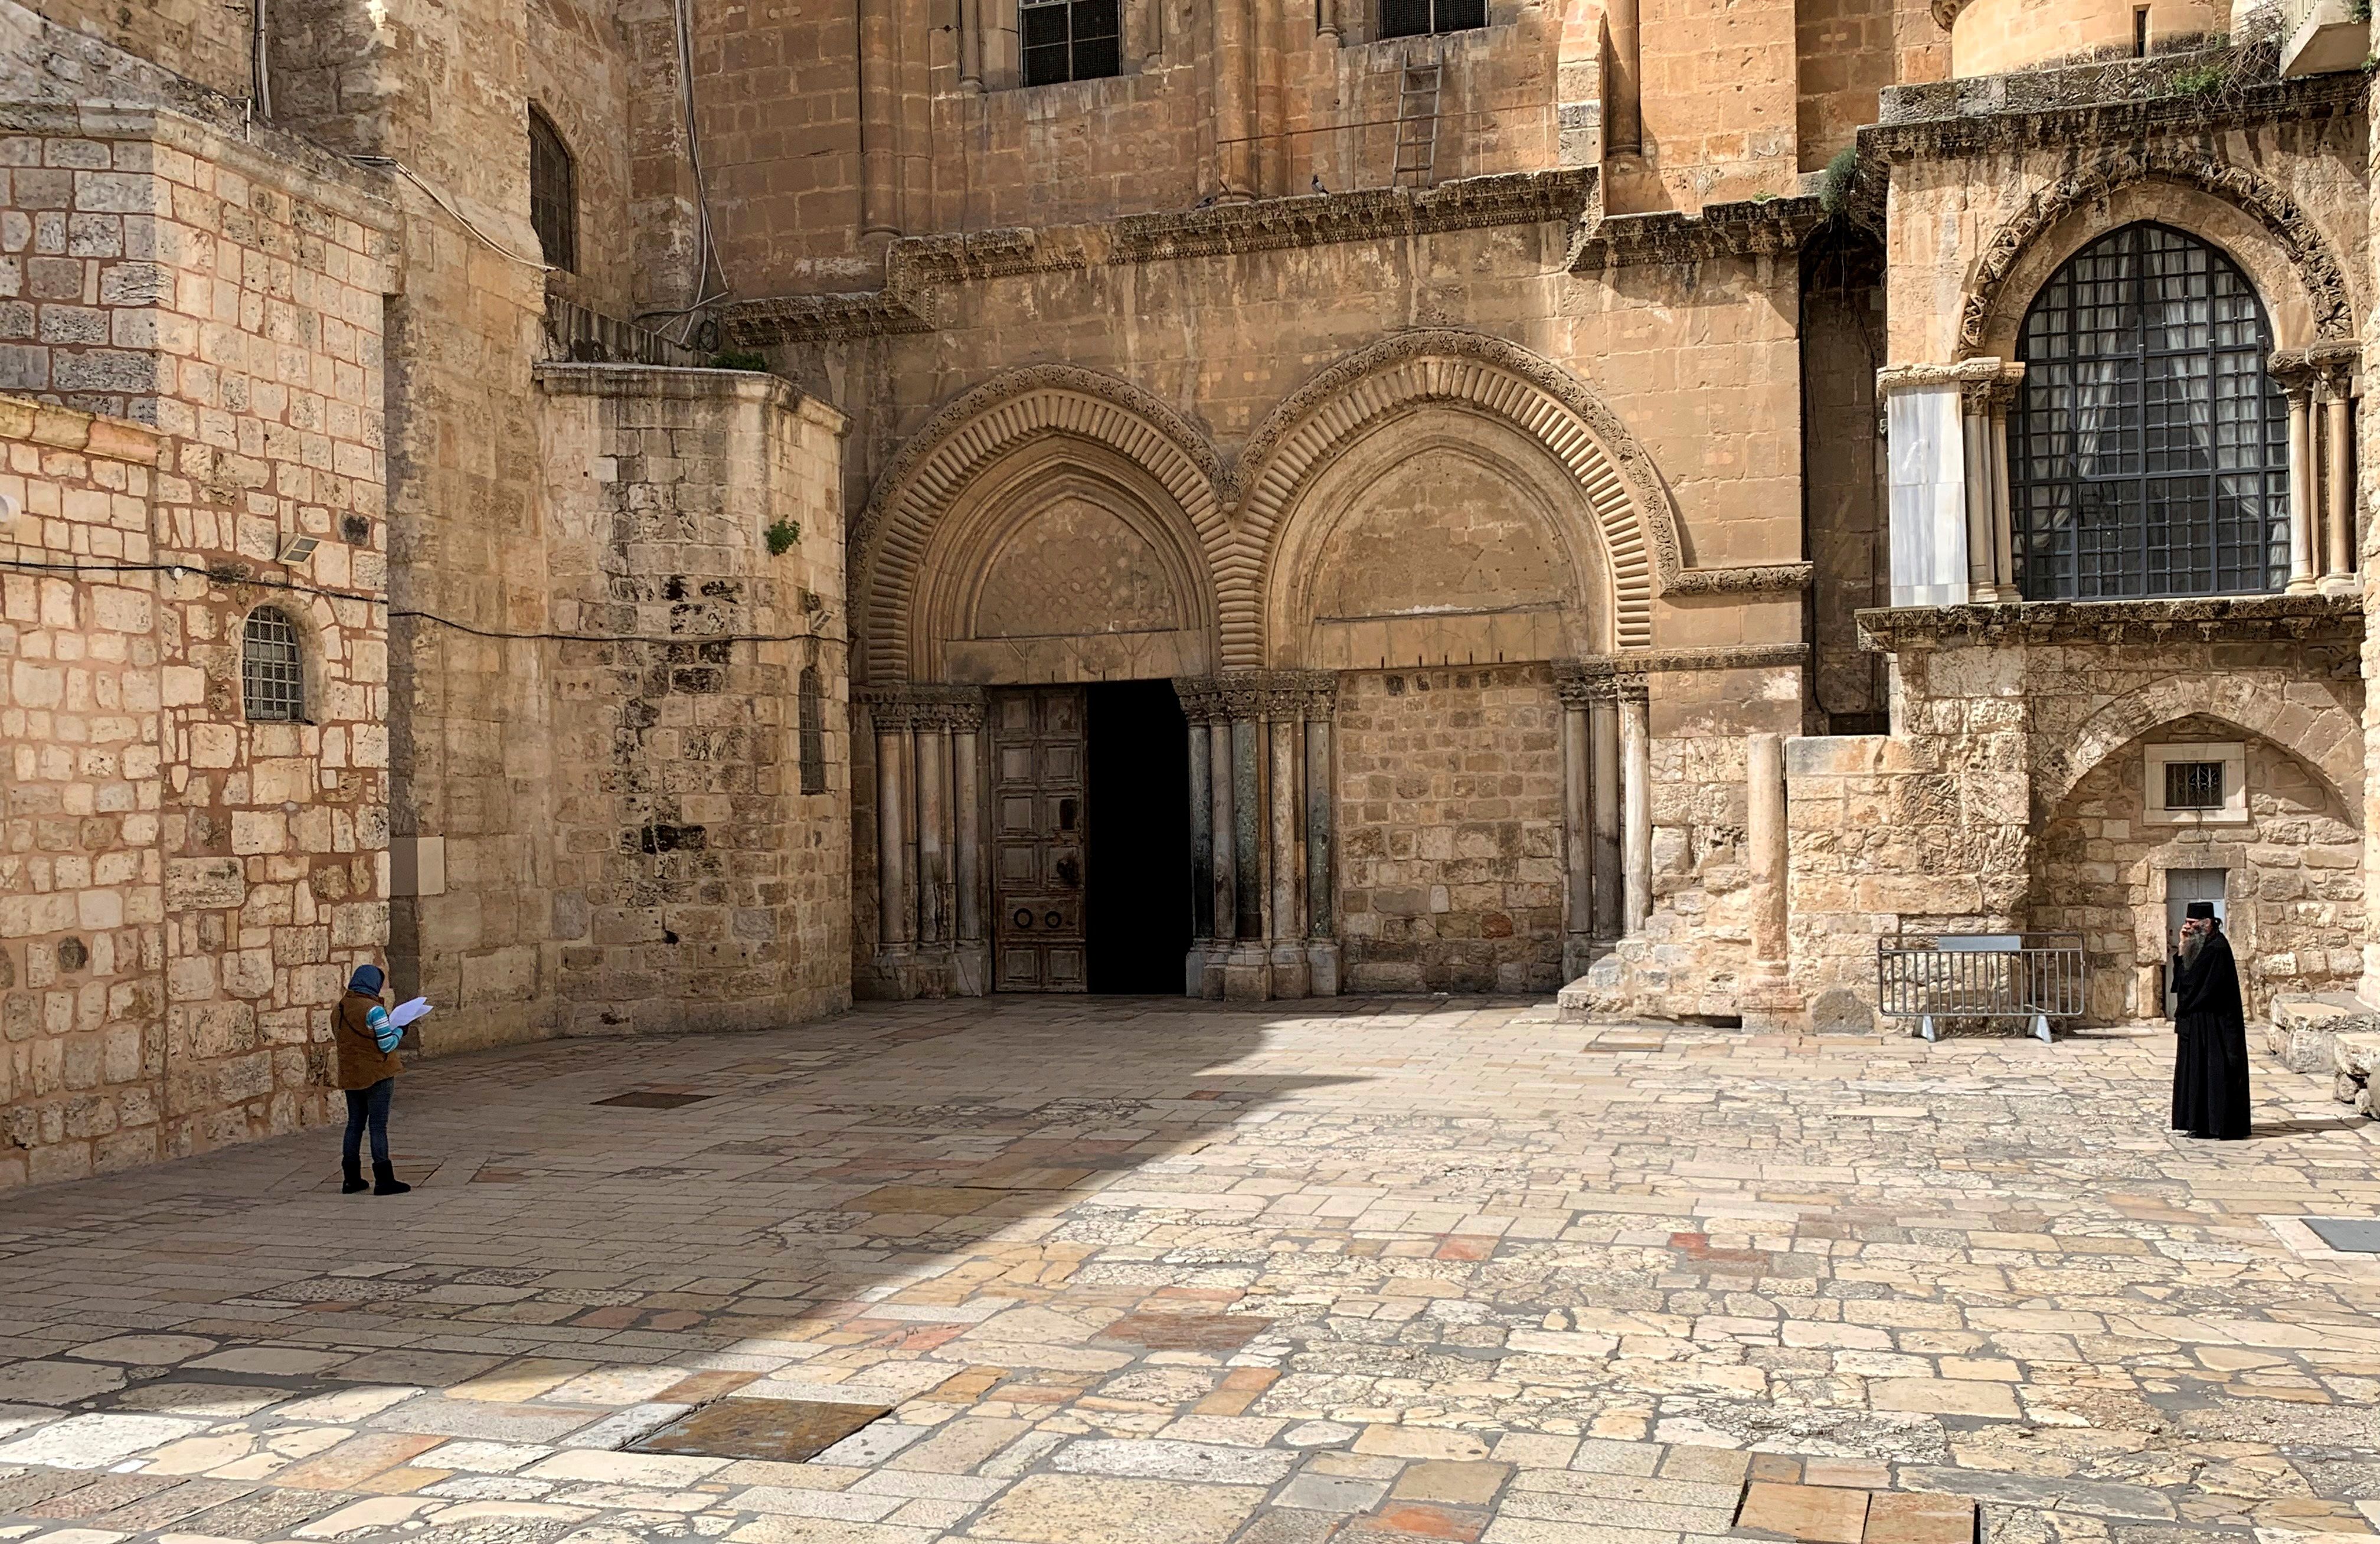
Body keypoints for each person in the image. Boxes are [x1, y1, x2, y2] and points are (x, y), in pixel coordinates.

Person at [2169, 902, 2251, 1140]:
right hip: (2198, 1022)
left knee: (2215, 1072)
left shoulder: (2217, 949)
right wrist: (2182, 947)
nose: (2187, 928)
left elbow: (2193, 984)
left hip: (2215, 1024)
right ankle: (2199, 1123)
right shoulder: (2198, 946)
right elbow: (2183, 980)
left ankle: (2218, 1124)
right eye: (2186, 923)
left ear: (2206, 924)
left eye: (2192, 924)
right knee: (2197, 1072)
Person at [334, 964, 412, 1195]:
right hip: (377, 1073)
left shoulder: (339, 1009)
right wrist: (401, 1031)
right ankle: (384, 1180)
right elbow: (386, 1044)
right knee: (378, 1126)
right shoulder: (374, 1010)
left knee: (354, 1124)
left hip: (352, 1072)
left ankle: (351, 1179)